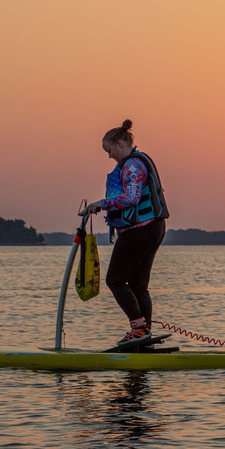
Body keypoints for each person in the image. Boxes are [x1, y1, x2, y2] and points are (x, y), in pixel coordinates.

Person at [82, 120, 170, 343]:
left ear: (120, 144)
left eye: (109, 150)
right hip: (154, 228)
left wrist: (101, 203)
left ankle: (139, 329)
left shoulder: (132, 165)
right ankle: (144, 333)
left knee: (115, 280)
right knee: (139, 285)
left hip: (139, 231)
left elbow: (132, 198)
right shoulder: (139, 161)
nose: (109, 156)